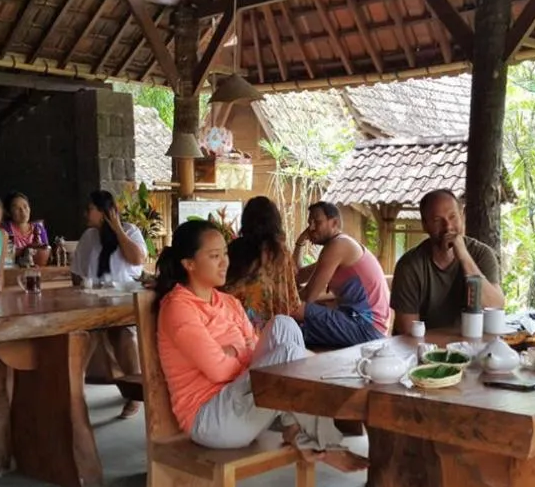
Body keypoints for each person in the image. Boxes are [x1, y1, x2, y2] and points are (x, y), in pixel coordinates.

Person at [155, 219, 367, 472]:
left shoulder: (228, 302)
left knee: (284, 325)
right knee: (288, 357)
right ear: (189, 264)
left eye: (225, 253)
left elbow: (251, 353)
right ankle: (327, 443)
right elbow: (219, 371)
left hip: (242, 403)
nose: (225, 262)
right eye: (214, 256)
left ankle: (292, 426)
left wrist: (233, 353)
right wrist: (244, 355)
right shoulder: (179, 307)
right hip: (212, 420)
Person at [71, 189, 150, 418]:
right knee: (84, 337)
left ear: (104, 211)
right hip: (93, 304)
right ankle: (74, 393)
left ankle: (135, 395)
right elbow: (77, 274)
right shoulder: (88, 237)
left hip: (123, 304)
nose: (86, 213)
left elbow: (137, 259)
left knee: (123, 336)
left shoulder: (129, 231)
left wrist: (117, 230)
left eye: (90, 209)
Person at [390, 189, 505, 334]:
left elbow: (495, 306)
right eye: (438, 220)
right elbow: (409, 333)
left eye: (453, 217)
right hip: (422, 350)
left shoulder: (482, 254)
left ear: (462, 216)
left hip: (468, 344)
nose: (448, 227)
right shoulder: (409, 266)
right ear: (425, 225)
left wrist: (463, 256)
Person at [291, 201, 390, 348]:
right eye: (309, 223)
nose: (311, 228)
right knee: (294, 328)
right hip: (360, 324)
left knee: (292, 315)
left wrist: (275, 301)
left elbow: (309, 296)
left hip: (367, 328)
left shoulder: (338, 246)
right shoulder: (338, 247)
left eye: (317, 222)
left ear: (334, 223)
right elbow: (298, 275)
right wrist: (300, 242)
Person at [222, 196, 302, 333]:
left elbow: (223, 288)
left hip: (236, 328)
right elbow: (292, 300)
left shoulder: (235, 248)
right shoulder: (281, 253)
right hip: (271, 333)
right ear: (276, 222)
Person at [1, 191, 48, 262]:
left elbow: (46, 250)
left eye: (25, 206)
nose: (22, 211)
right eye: (16, 208)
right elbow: (4, 255)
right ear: (8, 212)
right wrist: (26, 250)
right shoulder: (5, 230)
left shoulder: (39, 228)